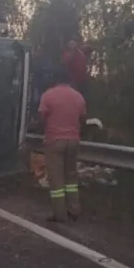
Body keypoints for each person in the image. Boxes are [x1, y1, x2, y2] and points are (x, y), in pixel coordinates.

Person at [37, 66, 87, 222]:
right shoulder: (78, 96)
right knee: (71, 177)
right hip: (73, 140)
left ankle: (60, 214)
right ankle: (74, 210)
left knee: (56, 179)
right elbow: (83, 119)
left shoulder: (48, 96)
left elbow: (41, 117)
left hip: (55, 141)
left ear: (55, 79)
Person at [62, 39, 90, 105]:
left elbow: (83, 64)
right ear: (68, 45)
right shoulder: (68, 54)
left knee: (80, 96)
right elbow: (65, 62)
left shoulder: (80, 53)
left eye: (74, 44)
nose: (73, 45)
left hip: (81, 79)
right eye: (71, 44)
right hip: (72, 79)